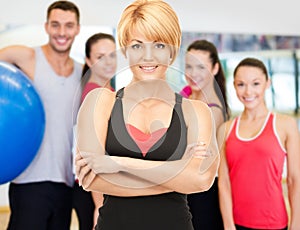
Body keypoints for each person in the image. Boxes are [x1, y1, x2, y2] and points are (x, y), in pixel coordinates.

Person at [75, 0, 220, 229]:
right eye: (137, 45)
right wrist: (178, 176)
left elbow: (202, 179)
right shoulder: (100, 102)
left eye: (159, 45)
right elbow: (91, 178)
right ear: (125, 50)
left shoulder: (196, 111)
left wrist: (119, 163)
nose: (148, 57)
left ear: (172, 50)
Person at [0, 1, 82, 229]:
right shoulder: (27, 57)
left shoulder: (80, 72)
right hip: (29, 182)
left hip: (65, 182)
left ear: (77, 29)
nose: (62, 33)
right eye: (56, 25)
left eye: (68, 26)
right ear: (46, 27)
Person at [218, 57, 300, 230]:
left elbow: (294, 179)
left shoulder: (285, 125)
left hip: (274, 222)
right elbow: (224, 182)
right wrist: (228, 225)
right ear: (234, 85)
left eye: (255, 83)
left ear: (267, 83)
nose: (248, 92)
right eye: (241, 84)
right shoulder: (226, 129)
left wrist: (297, 224)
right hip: (237, 223)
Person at [181, 39, 229, 229]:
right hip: (184, 188)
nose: (193, 74)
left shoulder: (213, 111)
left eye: (201, 67)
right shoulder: (186, 93)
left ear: (215, 68)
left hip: (202, 195)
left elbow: (197, 161)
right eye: (188, 66)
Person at [72, 32, 117, 230]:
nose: (108, 62)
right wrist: (99, 204)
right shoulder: (94, 94)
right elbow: (93, 149)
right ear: (89, 61)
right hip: (94, 185)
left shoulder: (107, 91)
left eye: (112, 55)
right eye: (100, 57)